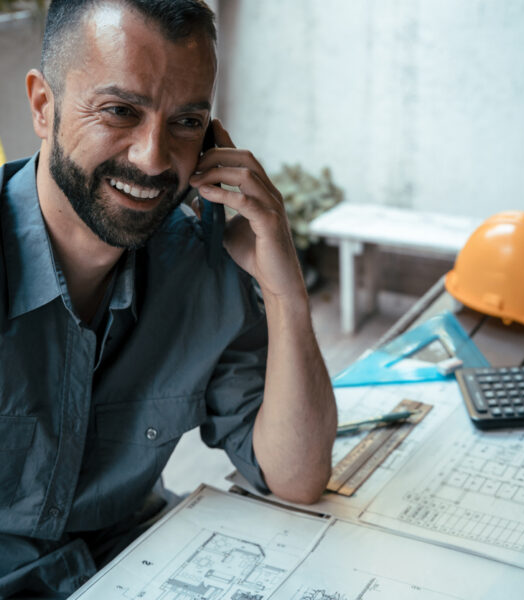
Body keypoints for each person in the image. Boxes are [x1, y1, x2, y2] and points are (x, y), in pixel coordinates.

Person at [0, 0, 337, 596]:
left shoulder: (199, 259)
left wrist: (283, 288)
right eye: (120, 111)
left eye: (185, 121)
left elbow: (295, 477)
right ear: (43, 107)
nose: (153, 158)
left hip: (142, 566)